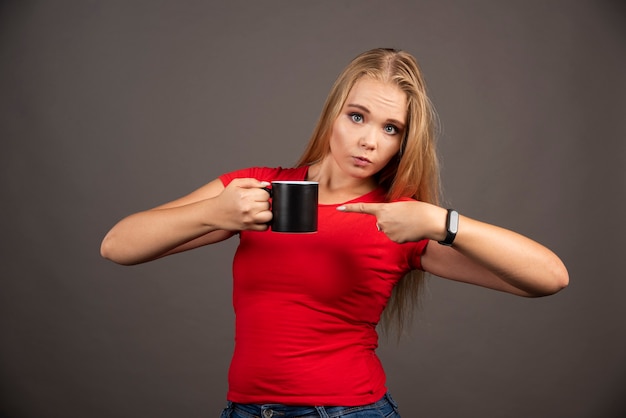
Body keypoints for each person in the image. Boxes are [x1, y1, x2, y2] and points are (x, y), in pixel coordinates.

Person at [100, 48, 569, 417]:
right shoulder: (256, 190)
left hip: (347, 412)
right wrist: (215, 213)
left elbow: (550, 277)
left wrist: (441, 223)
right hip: (245, 411)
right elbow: (118, 245)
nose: (369, 140)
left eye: (391, 128)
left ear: (403, 143)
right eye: (357, 116)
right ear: (333, 115)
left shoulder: (399, 220)